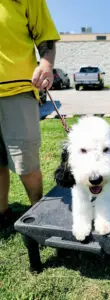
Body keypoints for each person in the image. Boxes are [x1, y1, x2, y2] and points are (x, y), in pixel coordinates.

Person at [0, 0, 60, 228]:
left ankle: (40, 213)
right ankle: (2, 213)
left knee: (26, 165)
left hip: (17, 90)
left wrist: (46, 63)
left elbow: (45, 35)